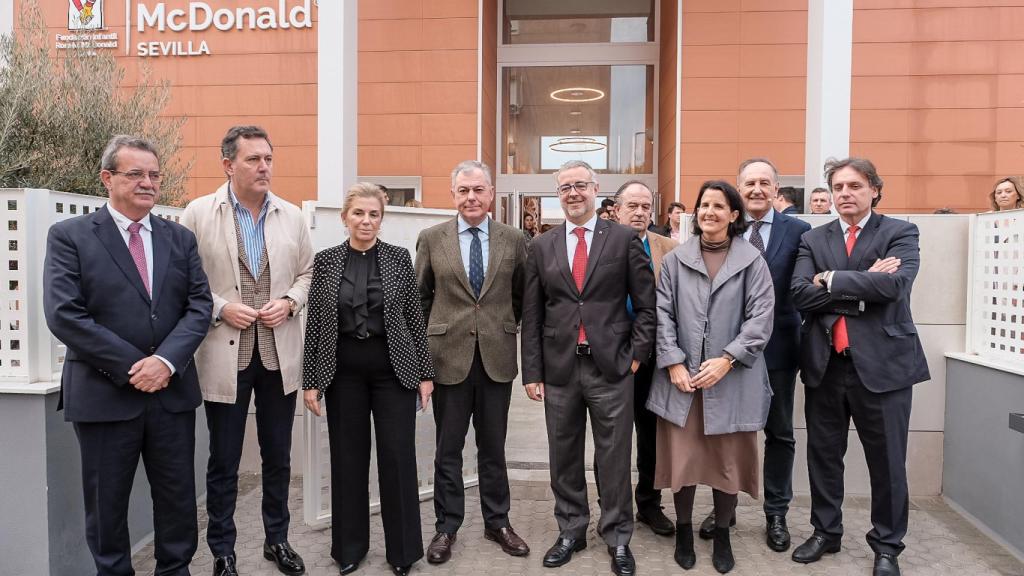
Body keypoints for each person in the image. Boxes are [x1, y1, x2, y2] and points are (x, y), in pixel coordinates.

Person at [43, 135, 213, 575]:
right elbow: (65, 314)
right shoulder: (70, 236)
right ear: (107, 178)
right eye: (135, 173)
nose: (147, 182)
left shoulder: (180, 238)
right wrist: (134, 367)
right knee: (106, 510)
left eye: (154, 175)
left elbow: (199, 306)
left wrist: (166, 362)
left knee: (178, 504)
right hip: (104, 396)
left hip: (171, 395)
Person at [181, 126, 313, 576]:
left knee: (278, 456)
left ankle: (277, 540)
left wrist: (291, 302)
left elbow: (308, 274)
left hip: (278, 356)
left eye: (269, 159)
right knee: (225, 459)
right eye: (254, 159)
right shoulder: (198, 213)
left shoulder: (292, 216)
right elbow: (187, 279)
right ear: (228, 165)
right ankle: (223, 550)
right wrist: (220, 308)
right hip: (225, 354)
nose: (264, 168)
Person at [790, 157, 929, 576]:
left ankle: (887, 545)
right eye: (837, 187)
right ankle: (825, 532)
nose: (844, 194)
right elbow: (798, 293)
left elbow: (895, 286)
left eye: (854, 185)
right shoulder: (814, 238)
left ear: (873, 189)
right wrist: (860, 281)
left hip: (883, 369)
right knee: (824, 456)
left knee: (887, 462)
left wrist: (829, 279)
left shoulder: (900, 232)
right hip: (826, 365)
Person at [521, 160, 656, 576]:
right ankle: (571, 530)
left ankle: (617, 536)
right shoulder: (541, 247)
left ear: (596, 189)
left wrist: (636, 354)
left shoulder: (622, 239)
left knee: (615, 457)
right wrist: (532, 372)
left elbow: (647, 306)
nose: (573, 193)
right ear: (557, 194)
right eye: (565, 187)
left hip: (611, 368)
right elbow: (533, 313)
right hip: (560, 369)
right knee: (563, 455)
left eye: (580, 185)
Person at [302, 183, 435, 576]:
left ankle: (404, 552)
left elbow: (414, 320)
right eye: (358, 213)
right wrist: (312, 379)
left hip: (394, 371)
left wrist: (426, 374)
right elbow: (315, 326)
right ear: (345, 218)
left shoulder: (398, 259)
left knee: (397, 458)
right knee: (348, 460)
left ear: (382, 218)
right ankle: (349, 548)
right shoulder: (325, 262)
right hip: (342, 373)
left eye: (373, 214)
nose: (366, 220)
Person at [646, 180, 774, 574]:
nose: (709, 213)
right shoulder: (675, 259)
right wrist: (673, 362)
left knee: (726, 462)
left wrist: (728, 360)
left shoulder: (752, 261)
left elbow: (760, 318)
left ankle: (722, 533)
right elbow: (662, 313)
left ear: (734, 215)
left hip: (731, 380)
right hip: (682, 381)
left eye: (719, 206)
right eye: (704, 206)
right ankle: (683, 530)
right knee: (682, 462)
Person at [416, 161, 530, 564]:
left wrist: (501, 326)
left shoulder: (514, 239)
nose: (471, 198)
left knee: (493, 448)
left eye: (478, 190)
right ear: (453, 195)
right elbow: (420, 300)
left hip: (496, 359)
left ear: (492, 193)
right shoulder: (432, 238)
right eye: (463, 190)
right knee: (448, 449)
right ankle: (446, 527)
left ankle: (497, 522)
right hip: (448, 360)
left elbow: (521, 297)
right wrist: (420, 366)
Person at [697, 159, 810, 551]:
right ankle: (722, 510)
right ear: (738, 189)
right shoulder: (724, 231)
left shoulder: (799, 231)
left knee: (779, 433)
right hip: (723, 356)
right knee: (724, 433)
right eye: (749, 183)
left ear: (777, 188)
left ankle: (775, 512)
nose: (757, 189)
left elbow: (804, 287)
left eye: (765, 182)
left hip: (777, 350)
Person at [609, 181, 678, 537]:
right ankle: (614, 509)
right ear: (616, 210)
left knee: (651, 435)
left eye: (645, 207)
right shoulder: (602, 245)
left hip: (655, 355)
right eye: (632, 206)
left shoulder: (669, 248)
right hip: (613, 355)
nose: (639, 212)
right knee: (614, 436)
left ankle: (649, 504)